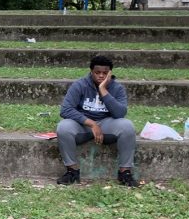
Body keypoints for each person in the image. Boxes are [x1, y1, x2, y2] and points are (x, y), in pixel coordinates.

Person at [56, 55, 138, 187]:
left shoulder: (117, 88)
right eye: (97, 72)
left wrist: (103, 90)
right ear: (91, 71)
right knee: (63, 127)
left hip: (107, 124)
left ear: (110, 73)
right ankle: (72, 170)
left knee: (127, 126)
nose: (101, 76)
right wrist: (91, 123)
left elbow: (120, 113)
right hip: (83, 125)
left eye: (105, 73)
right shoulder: (80, 85)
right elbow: (65, 110)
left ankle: (125, 173)